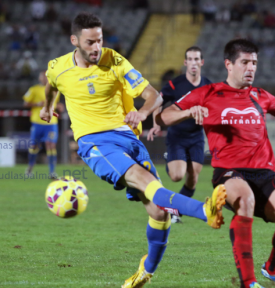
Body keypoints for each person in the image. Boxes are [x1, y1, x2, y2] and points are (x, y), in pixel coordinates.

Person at [40, 12, 227, 288]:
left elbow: (154, 95)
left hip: (128, 137)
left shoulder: (115, 61)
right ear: (74, 40)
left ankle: (146, 271)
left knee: (159, 212)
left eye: (100, 40)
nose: (96, 47)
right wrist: (47, 105)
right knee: (147, 182)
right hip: (95, 142)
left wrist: (141, 112)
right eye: (90, 42)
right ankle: (203, 210)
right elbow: (51, 83)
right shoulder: (59, 67)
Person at [157, 38, 275, 288]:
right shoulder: (208, 93)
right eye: (245, 62)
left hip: (265, 173)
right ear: (229, 64)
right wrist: (188, 112)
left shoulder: (261, 95)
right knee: (245, 200)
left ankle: (273, 270)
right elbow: (165, 115)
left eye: (254, 62)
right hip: (229, 173)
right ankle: (248, 282)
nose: (251, 68)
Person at [147, 46, 211, 223]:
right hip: (177, 136)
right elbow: (158, 101)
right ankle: (170, 158)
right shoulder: (176, 84)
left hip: (197, 137)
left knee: (193, 179)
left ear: (201, 62)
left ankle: (175, 212)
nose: (193, 63)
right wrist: (155, 123)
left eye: (196, 59)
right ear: (185, 63)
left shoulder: (208, 85)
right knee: (177, 176)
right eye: (190, 59)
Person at [24, 71, 63, 179]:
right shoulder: (34, 89)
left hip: (51, 123)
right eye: (43, 77)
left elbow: (55, 104)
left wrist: (59, 106)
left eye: (48, 77)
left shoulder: (56, 90)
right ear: (40, 79)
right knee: (34, 146)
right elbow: (25, 103)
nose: (46, 79)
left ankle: (52, 172)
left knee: (50, 145)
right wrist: (37, 104)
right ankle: (30, 168)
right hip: (37, 122)